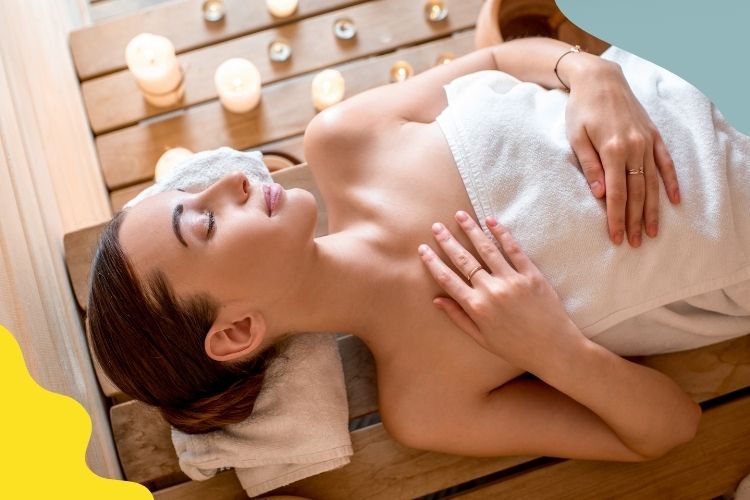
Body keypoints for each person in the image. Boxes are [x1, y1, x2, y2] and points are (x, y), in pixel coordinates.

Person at [87, 36, 750, 462]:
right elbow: (669, 429)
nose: (232, 180)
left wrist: (588, 73)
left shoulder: (343, 138)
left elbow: (496, 60)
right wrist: (554, 348)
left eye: (198, 192)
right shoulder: (429, 401)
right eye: (202, 224)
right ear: (235, 332)